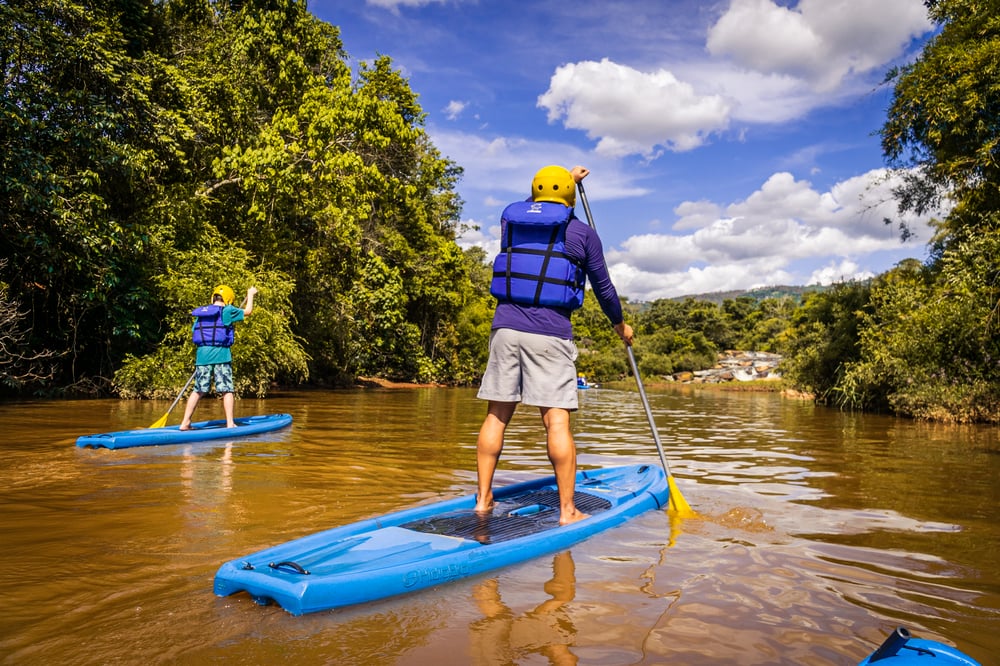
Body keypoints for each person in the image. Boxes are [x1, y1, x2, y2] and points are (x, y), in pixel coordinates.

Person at [475, 165, 634, 525]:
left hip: (505, 329)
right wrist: (619, 324)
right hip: (550, 333)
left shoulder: (510, 223)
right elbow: (604, 289)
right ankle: (567, 511)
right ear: (569, 198)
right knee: (557, 422)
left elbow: (540, 207)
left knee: (496, 416)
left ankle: (483, 500)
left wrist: (565, 182)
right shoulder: (583, 234)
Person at [179, 284, 257, 430]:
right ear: (228, 299)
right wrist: (250, 294)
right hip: (221, 355)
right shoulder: (227, 310)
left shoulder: (202, 313)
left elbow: (195, 331)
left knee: (198, 390)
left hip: (202, 356)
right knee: (226, 389)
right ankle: (229, 423)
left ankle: (185, 422)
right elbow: (248, 311)